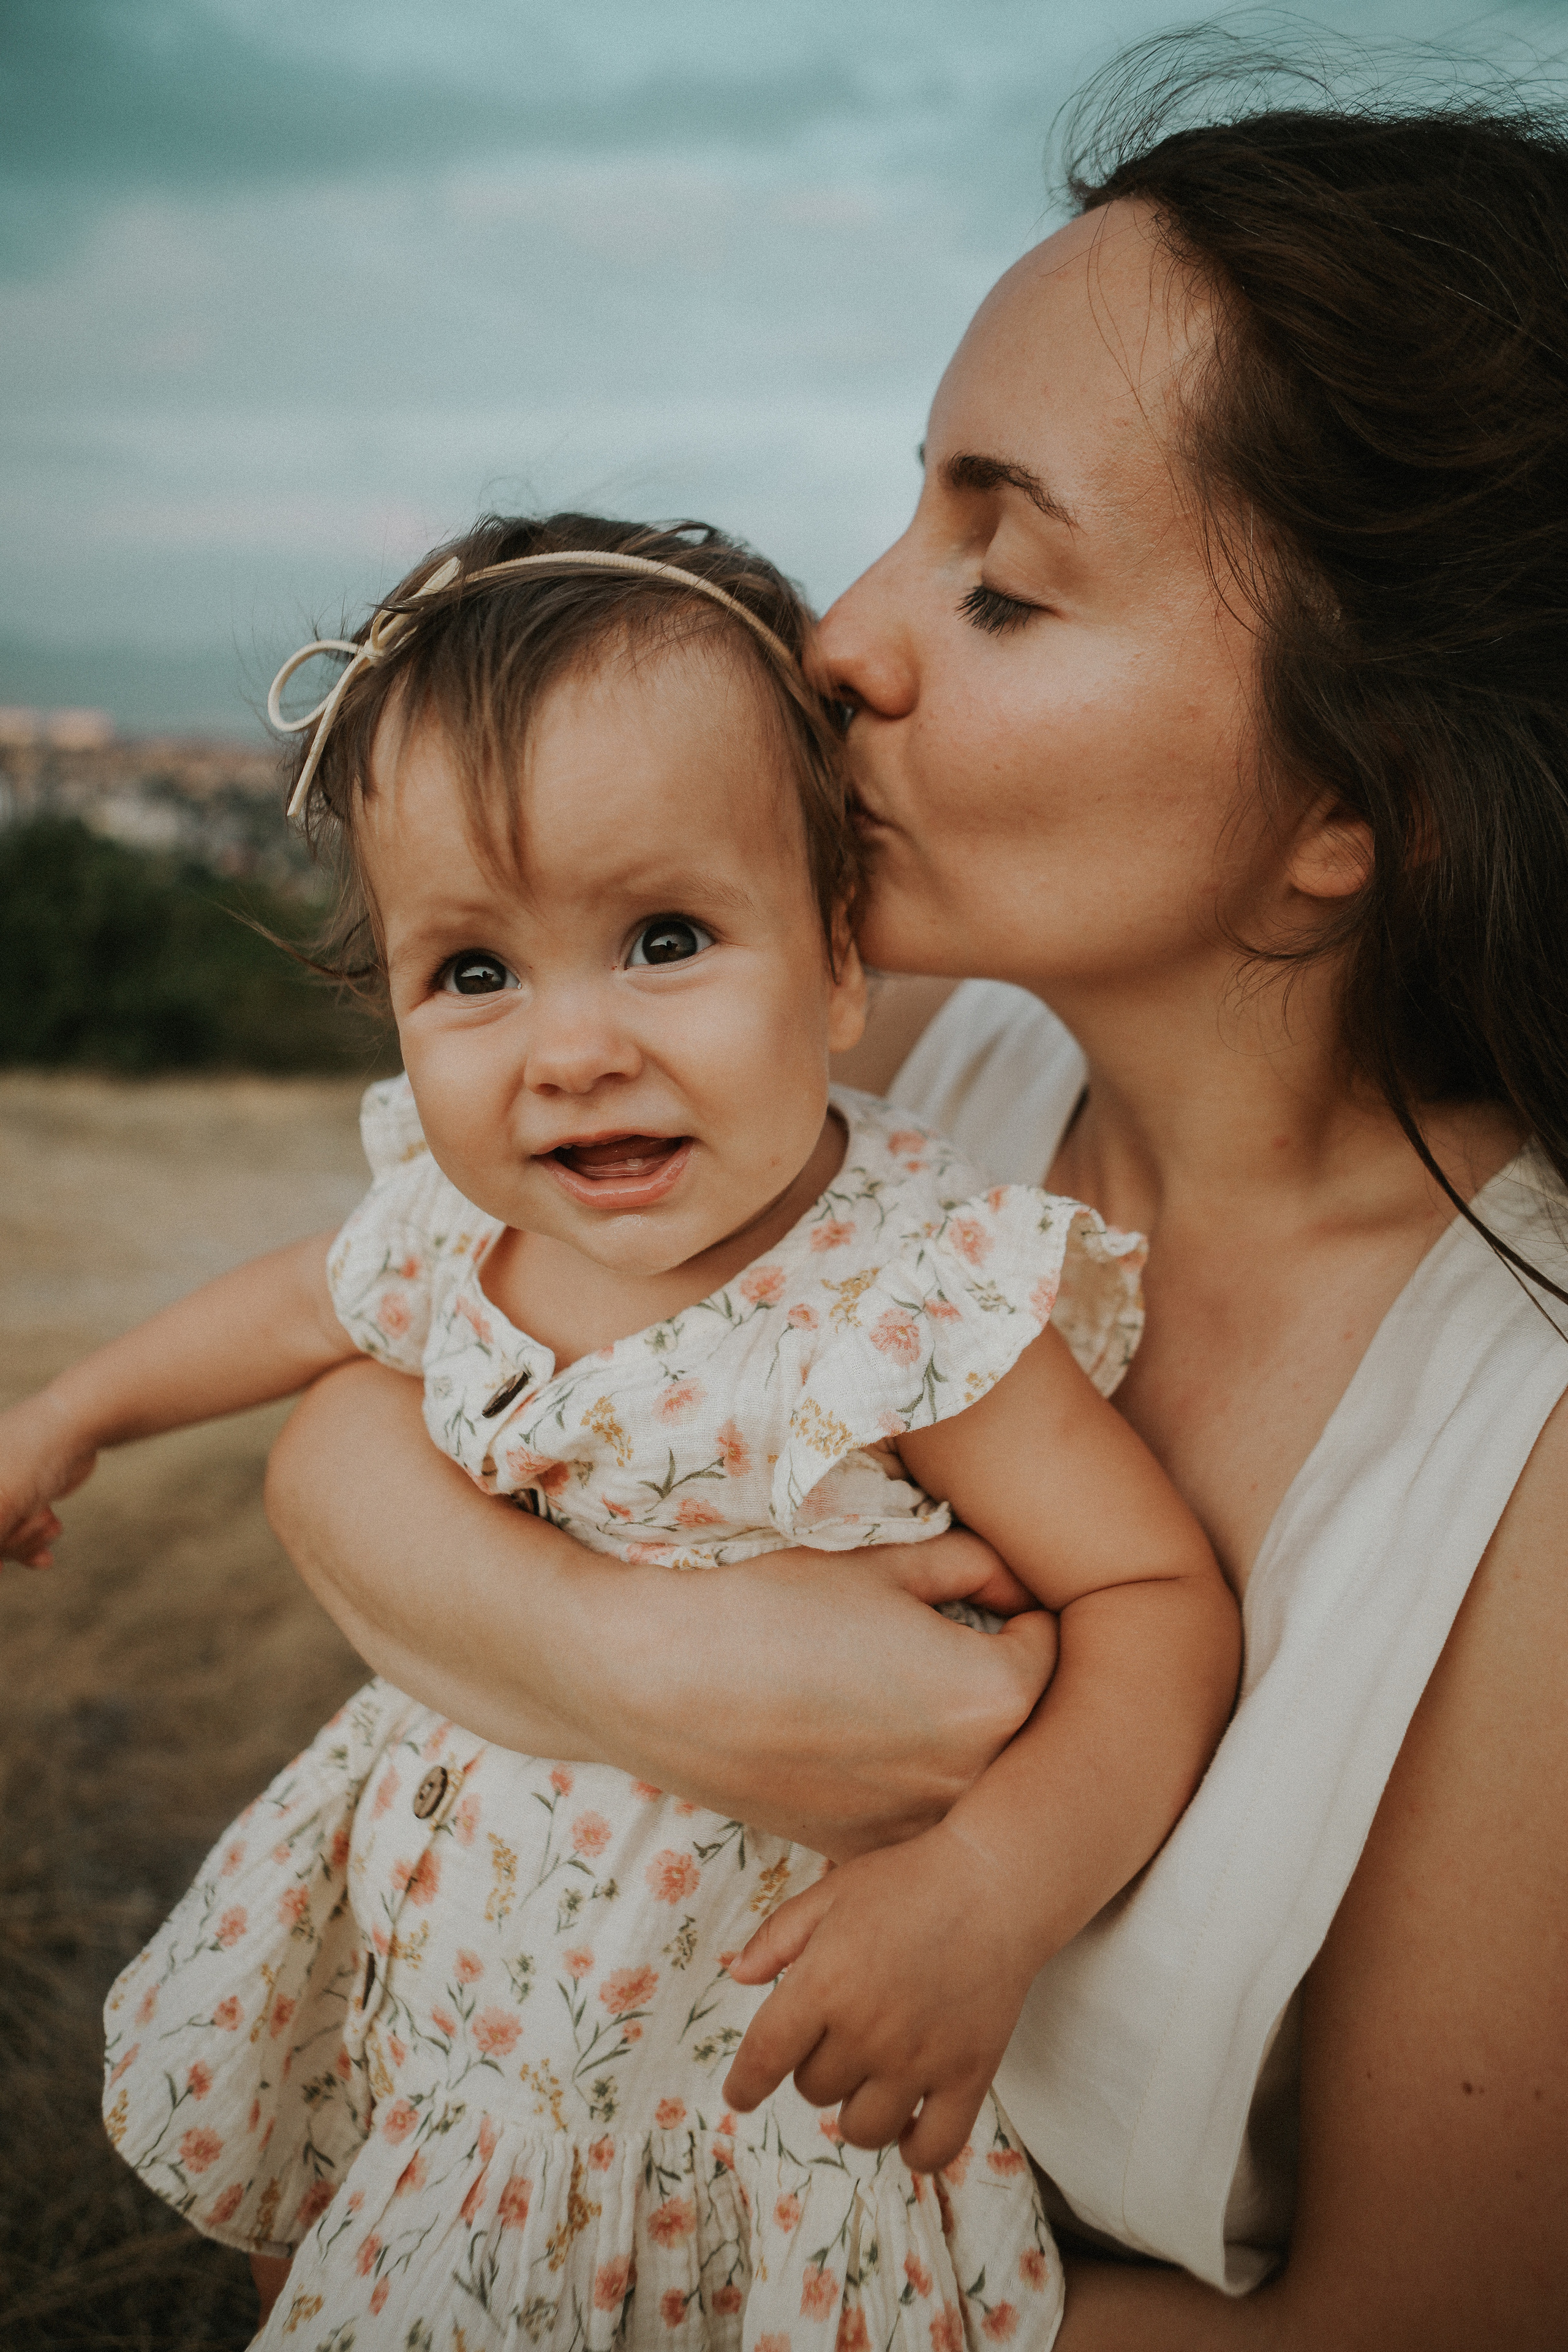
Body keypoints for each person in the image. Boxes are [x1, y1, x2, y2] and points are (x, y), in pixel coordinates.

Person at [253, 70, 1568, 2350]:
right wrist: (643, 1667)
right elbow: (363, 1409)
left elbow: (1423, 2318)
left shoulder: (1524, 1458)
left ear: (1357, 807)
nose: (844, 639)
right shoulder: (905, 1082)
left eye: (1004, 583)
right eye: (903, 518)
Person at [0, 514, 1238, 2346]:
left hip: (709, 2080)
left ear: (837, 966)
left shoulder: (898, 1298)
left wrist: (990, 1888)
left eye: (664, 940)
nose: (569, 1049)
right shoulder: (464, 1225)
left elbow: (1154, 1599)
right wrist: (70, 1414)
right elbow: (294, 1306)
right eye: (473, 973)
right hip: (431, 1973)